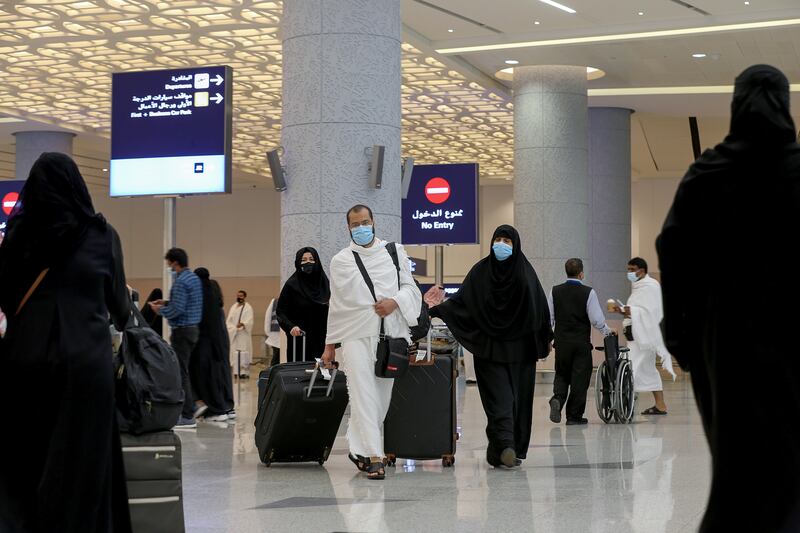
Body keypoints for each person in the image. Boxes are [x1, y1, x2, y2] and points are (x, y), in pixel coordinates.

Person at [657, 65, 800, 532]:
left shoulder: (707, 175)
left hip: (725, 344)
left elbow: (673, 253)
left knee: (736, 462)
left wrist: (680, 338)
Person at [0, 152, 132, 532]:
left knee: (24, 460)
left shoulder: (19, 233)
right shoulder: (101, 235)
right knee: (84, 463)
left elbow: (6, 295)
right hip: (85, 368)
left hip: (23, 363)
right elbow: (120, 307)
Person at [424, 225, 552, 468]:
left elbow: (539, 311)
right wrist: (437, 309)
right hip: (489, 350)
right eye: (498, 239)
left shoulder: (525, 274)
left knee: (517, 402)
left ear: (515, 245)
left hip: (520, 353)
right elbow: (462, 304)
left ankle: (500, 451)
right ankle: (506, 445)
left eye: (507, 240)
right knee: (500, 400)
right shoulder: (481, 273)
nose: (501, 244)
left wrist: (544, 339)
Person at [321, 205, 421, 480]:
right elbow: (337, 306)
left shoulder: (393, 252)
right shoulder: (341, 260)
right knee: (362, 393)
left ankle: (358, 450)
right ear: (348, 227)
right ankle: (375, 456)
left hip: (389, 335)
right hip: (354, 336)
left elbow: (411, 289)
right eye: (355, 224)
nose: (361, 227)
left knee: (380, 398)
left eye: (365, 222)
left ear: (373, 222)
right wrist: (330, 345)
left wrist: (394, 303)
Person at [547, 258, 612, 425]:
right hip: (580, 343)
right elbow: (596, 319)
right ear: (581, 273)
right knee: (579, 380)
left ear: (566, 272)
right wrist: (607, 331)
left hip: (561, 343)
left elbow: (549, 319)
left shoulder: (555, 291)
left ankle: (558, 399)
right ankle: (574, 416)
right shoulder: (588, 292)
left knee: (561, 374)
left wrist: (548, 339)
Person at [611, 257, 675, 415]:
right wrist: (625, 310)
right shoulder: (638, 287)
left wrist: (623, 310)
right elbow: (637, 309)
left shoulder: (651, 286)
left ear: (642, 270)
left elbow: (650, 311)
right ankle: (660, 405)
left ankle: (627, 402)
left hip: (644, 337)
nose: (630, 273)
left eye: (632, 270)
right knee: (647, 370)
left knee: (631, 368)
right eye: (628, 270)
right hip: (636, 336)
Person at [149, 248, 204, 429]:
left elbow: (177, 310)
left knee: (180, 372)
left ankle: (187, 414)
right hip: (193, 329)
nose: (169, 267)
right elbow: (186, 303)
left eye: (169, 263)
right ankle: (192, 406)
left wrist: (160, 310)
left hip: (182, 331)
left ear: (174, 262)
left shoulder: (180, 281)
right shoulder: (194, 279)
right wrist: (166, 302)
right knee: (185, 370)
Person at [190, 268, 235, 422]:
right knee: (222, 374)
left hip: (205, 343)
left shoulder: (201, 300)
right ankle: (227, 406)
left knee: (206, 376)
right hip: (221, 343)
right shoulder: (217, 304)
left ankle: (213, 409)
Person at [277, 248, 330, 362]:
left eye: (311, 259)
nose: (308, 262)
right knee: (300, 376)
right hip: (300, 339)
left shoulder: (325, 285)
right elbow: (281, 312)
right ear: (298, 263)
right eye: (304, 260)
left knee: (322, 376)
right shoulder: (291, 285)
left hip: (323, 341)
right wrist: (290, 327)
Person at [226, 290, 254, 378]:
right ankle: (236, 372)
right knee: (234, 353)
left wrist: (243, 324)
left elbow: (250, 321)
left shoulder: (248, 308)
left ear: (245, 297)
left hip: (243, 334)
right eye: (238, 296)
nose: (239, 297)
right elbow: (228, 321)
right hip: (234, 334)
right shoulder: (233, 307)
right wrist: (233, 328)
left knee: (244, 353)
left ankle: (244, 373)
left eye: (241, 296)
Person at [264, 297, 281, 366]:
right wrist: (268, 332)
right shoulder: (275, 301)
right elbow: (268, 317)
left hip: (291, 335)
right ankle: (273, 375)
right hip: (276, 336)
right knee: (276, 358)